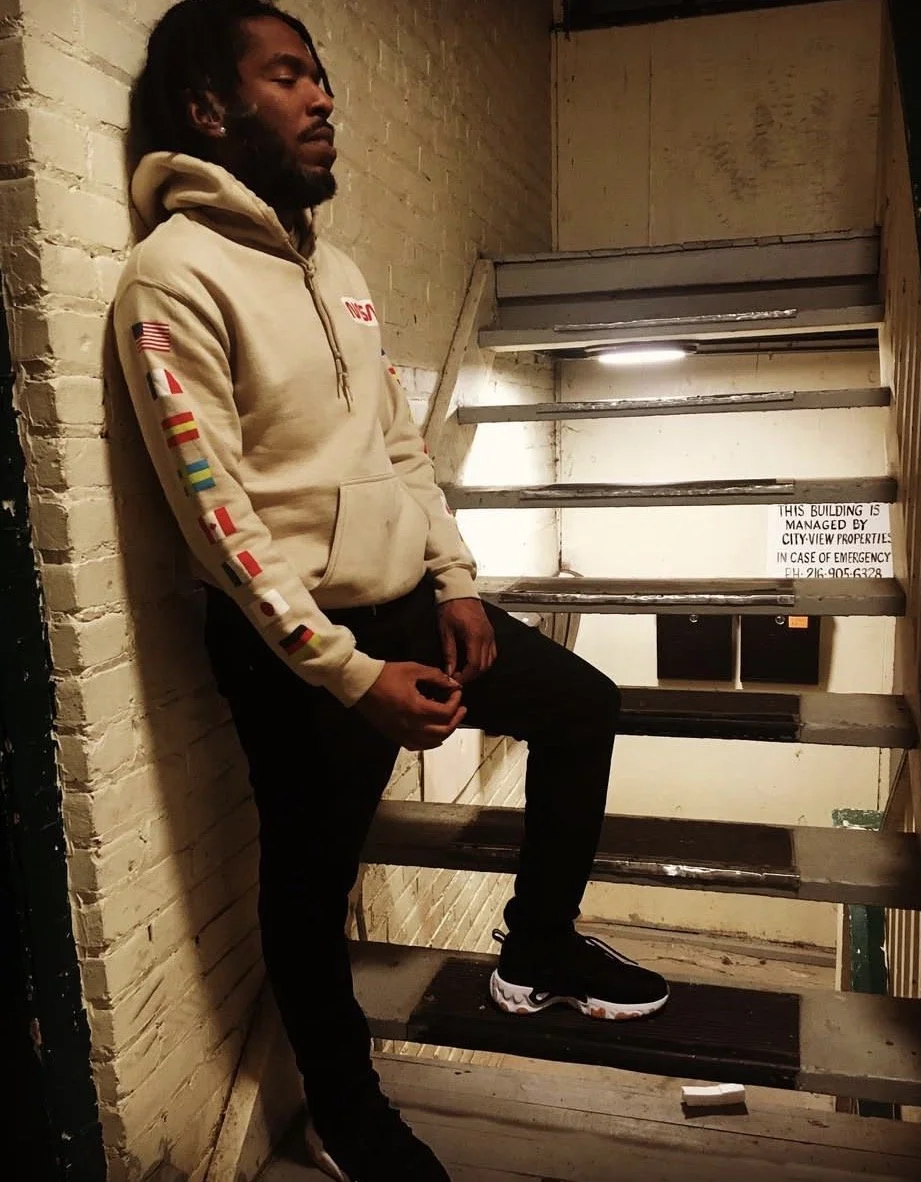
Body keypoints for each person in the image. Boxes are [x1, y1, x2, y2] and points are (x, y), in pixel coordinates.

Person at [113, 2, 670, 1178]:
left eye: (322, 78)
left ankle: (537, 950)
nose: (324, 99)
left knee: (581, 705)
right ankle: (343, 1105)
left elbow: (401, 448)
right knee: (312, 885)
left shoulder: (340, 269)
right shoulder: (170, 278)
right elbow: (219, 519)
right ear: (210, 109)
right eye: (290, 78)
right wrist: (352, 675)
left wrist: (455, 581)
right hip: (295, 648)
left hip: (408, 598)